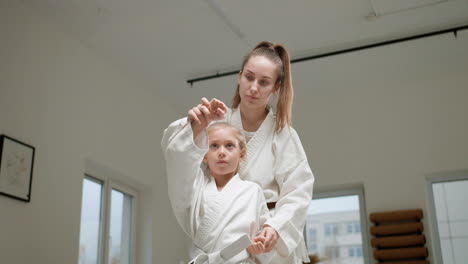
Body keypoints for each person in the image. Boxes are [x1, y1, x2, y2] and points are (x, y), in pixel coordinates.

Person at [163, 41, 315, 263]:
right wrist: (195, 125)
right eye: (249, 77)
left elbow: (299, 190)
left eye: (264, 82)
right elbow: (180, 159)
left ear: (275, 87)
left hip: (266, 236)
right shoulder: (216, 121)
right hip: (222, 232)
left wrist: (275, 227)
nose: (254, 87)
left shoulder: (283, 134)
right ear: (239, 76)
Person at [162, 121, 273, 263]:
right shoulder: (195, 187)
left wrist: (260, 245)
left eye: (229, 146)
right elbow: (178, 159)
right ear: (205, 155)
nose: (221, 152)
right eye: (214, 146)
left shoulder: (253, 191)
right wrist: (196, 125)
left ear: (242, 154)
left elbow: (263, 234)